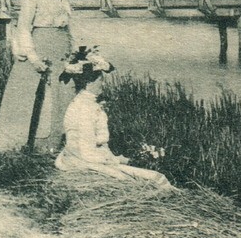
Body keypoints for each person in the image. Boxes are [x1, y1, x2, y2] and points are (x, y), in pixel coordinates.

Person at [0, 0, 80, 153]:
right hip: (41, 45)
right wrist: (32, 56)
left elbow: (68, 24)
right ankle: (26, 142)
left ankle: (54, 143)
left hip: (61, 46)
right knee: (34, 91)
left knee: (62, 91)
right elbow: (23, 26)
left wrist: (74, 47)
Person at [54, 47, 171, 186]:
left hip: (83, 155)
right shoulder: (85, 108)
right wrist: (116, 160)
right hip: (83, 160)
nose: (103, 84)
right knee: (148, 179)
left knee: (147, 177)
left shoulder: (84, 102)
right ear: (89, 83)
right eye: (100, 80)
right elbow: (87, 152)